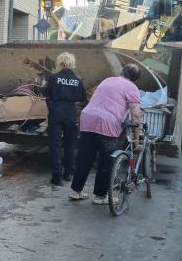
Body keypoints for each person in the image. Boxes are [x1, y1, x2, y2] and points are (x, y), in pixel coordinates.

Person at [69, 63, 143, 204]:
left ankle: (75, 191)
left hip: (88, 119)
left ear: (122, 72)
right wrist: (137, 139)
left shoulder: (107, 80)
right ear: (136, 79)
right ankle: (100, 196)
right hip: (107, 124)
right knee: (106, 161)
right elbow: (136, 115)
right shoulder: (132, 87)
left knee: (85, 158)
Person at [42, 52, 87, 186]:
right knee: (70, 144)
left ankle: (57, 176)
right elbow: (83, 98)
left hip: (56, 113)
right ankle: (69, 173)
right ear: (72, 64)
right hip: (70, 114)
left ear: (60, 63)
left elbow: (45, 93)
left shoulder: (54, 78)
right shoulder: (77, 80)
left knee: (55, 145)